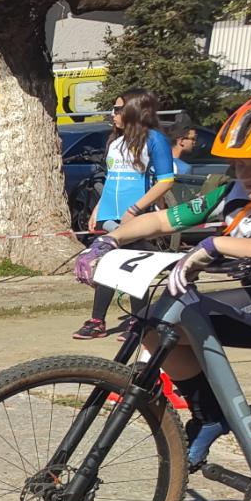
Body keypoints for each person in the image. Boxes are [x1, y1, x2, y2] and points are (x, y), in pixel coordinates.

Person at [85, 97, 251, 467]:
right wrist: (111, 239)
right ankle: (211, 414)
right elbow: (164, 221)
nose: (246, 174)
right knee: (152, 323)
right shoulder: (229, 196)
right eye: (240, 165)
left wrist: (218, 243)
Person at [75, 90, 177, 338]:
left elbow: (165, 181)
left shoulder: (154, 140)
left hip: (136, 218)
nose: (113, 115)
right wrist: (98, 208)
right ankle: (99, 321)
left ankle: (138, 323)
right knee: (108, 263)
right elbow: (111, 179)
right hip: (109, 215)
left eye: (118, 109)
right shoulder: (115, 142)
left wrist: (136, 209)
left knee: (131, 268)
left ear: (134, 111)